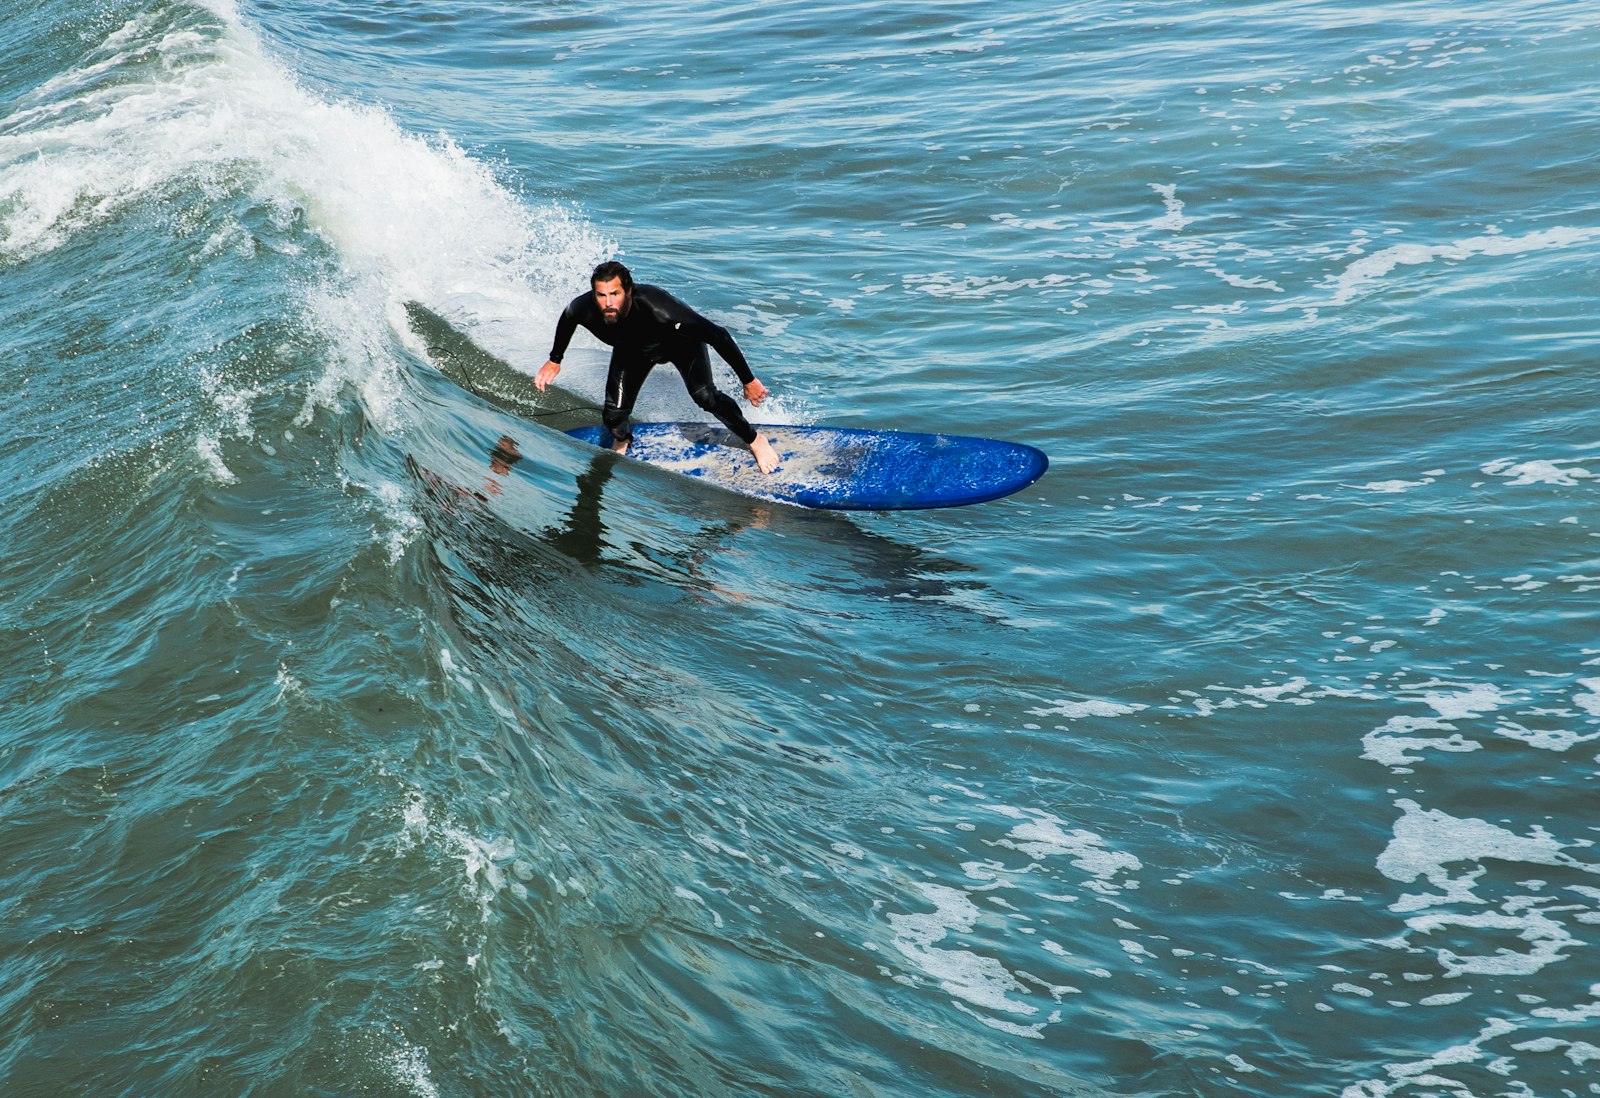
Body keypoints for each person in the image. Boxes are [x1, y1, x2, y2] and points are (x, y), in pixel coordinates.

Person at [535, 261, 781, 473]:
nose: (608, 302)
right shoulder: (585, 308)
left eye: (615, 294)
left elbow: (719, 336)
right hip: (633, 351)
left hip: (681, 346)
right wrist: (555, 359)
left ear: (629, 291)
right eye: (601, 295)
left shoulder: (662, 311)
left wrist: (747, 380)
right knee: (613, 415)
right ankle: (622, 440)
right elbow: (567, 318)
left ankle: (755, 440)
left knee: (705, 397)